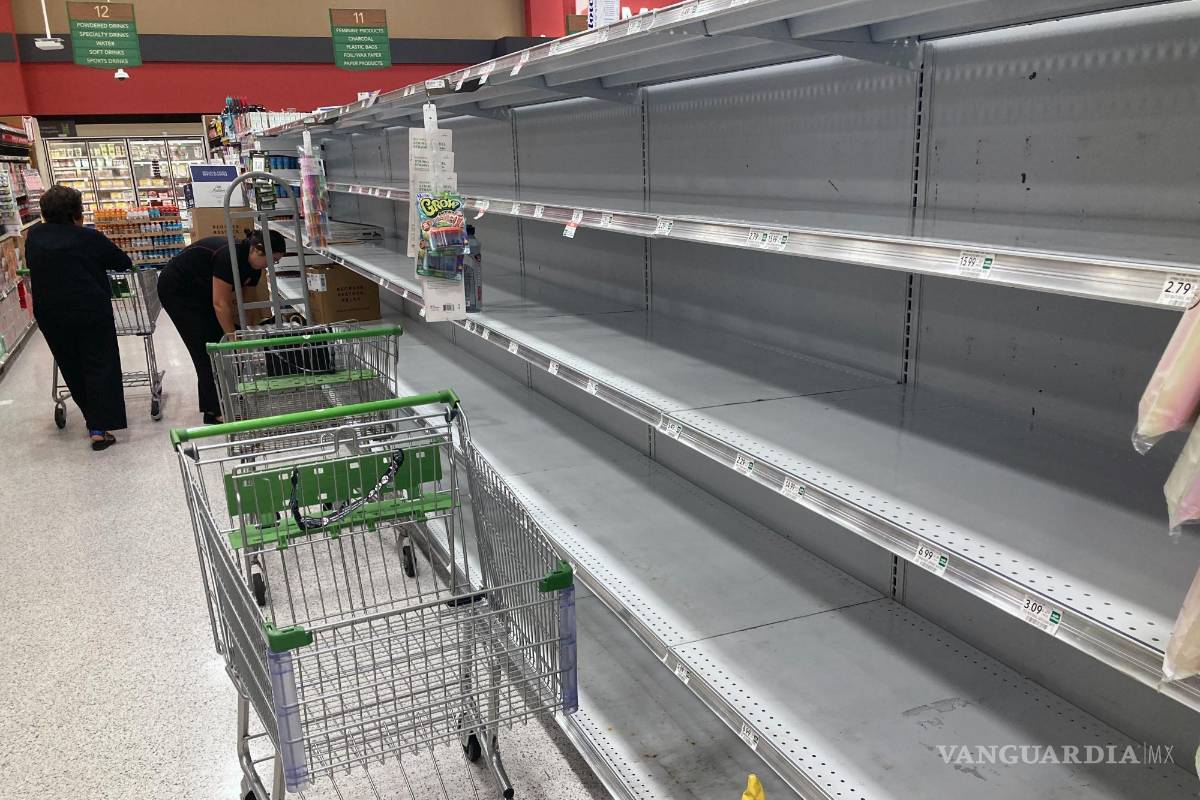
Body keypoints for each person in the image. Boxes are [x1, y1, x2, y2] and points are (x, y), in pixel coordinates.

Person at [25, 185, 132, 451]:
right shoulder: (87, 238)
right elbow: (122, 262)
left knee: (71, 365)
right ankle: (99, 427)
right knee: (99, 365)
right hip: (89, 311)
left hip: (51, 314)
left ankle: (90, 417)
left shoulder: (34, 236)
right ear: (76, 213)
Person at [157, 229, 285, 424]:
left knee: (220, 341)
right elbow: (220, 304)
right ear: (258, 251)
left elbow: (246, 298)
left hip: (202, 289)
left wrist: (245, 330)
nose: (272, 265)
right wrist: (233, 338)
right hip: (178, 289)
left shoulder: (254, 265)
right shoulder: (228, 257)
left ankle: (224, 399)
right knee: (206, 347)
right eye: (273, 260)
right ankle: (215, 410)